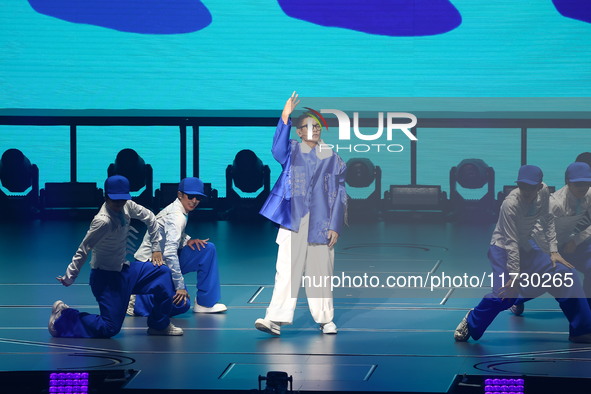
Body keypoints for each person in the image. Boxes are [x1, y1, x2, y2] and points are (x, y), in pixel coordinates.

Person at [454, 165, 591, 343]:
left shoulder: (543, 193)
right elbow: (511, 242)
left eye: (531, 187)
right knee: (505, 294)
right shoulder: (510, 204)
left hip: (530, 245)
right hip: (503, 249)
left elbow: (548, 220)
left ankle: (581, 330)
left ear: (539, 185)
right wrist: (515, 276)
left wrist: (553, 251)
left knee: (565, 273)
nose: (527, 191)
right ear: (518, 184)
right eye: (523, 186)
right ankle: (472, 320)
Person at [255, 92, 347, 336]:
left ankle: (325, 318)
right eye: (308, 126)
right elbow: (276, 149)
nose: (314, 130)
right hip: (292, 220)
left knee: (320, 273)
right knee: (286, 270)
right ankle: (275, 318)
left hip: (321, 223)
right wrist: (285, 115)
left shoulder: (334, 158)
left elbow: (340, 194)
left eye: (317, 126)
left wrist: (335, 225)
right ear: (299, 131)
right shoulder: (291, 152)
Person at [49, 175, 183, 337]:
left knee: (162, 272)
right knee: (110, 328)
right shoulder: (102, 221)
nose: (119, 204)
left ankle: (158, 325)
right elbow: (84, 248)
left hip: (126, 271)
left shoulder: (128, 206)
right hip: (106, 278)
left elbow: (151, 218)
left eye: (122, 200)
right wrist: (70, 276)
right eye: (115, 200)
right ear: (106, 197)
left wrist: (156, 248)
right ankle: (63, 317)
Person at [130, 177, 226, 316]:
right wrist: (179, 286)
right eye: (191, 196)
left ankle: (205, 303)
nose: (194, 201)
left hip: (162, 260)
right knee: (181, 304)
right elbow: (169, 254)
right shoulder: (177, 216)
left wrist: (187, 240)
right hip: (150, 265)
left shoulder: (179, 209)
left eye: (198, 197)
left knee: (207, 249)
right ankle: (136, 299)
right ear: (180, 195)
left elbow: (170, 236)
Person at [511, 162, 591, 314]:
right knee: (547, 279)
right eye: (578, 183)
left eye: (586, 182)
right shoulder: (555, 203)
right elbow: (540, 232)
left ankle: (588, 309)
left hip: (568, 241)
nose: (583, 187)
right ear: (568, 181)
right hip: (541, 244)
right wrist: (553, 253)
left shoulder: (590, 195)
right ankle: (517, 298)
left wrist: (576, 240)